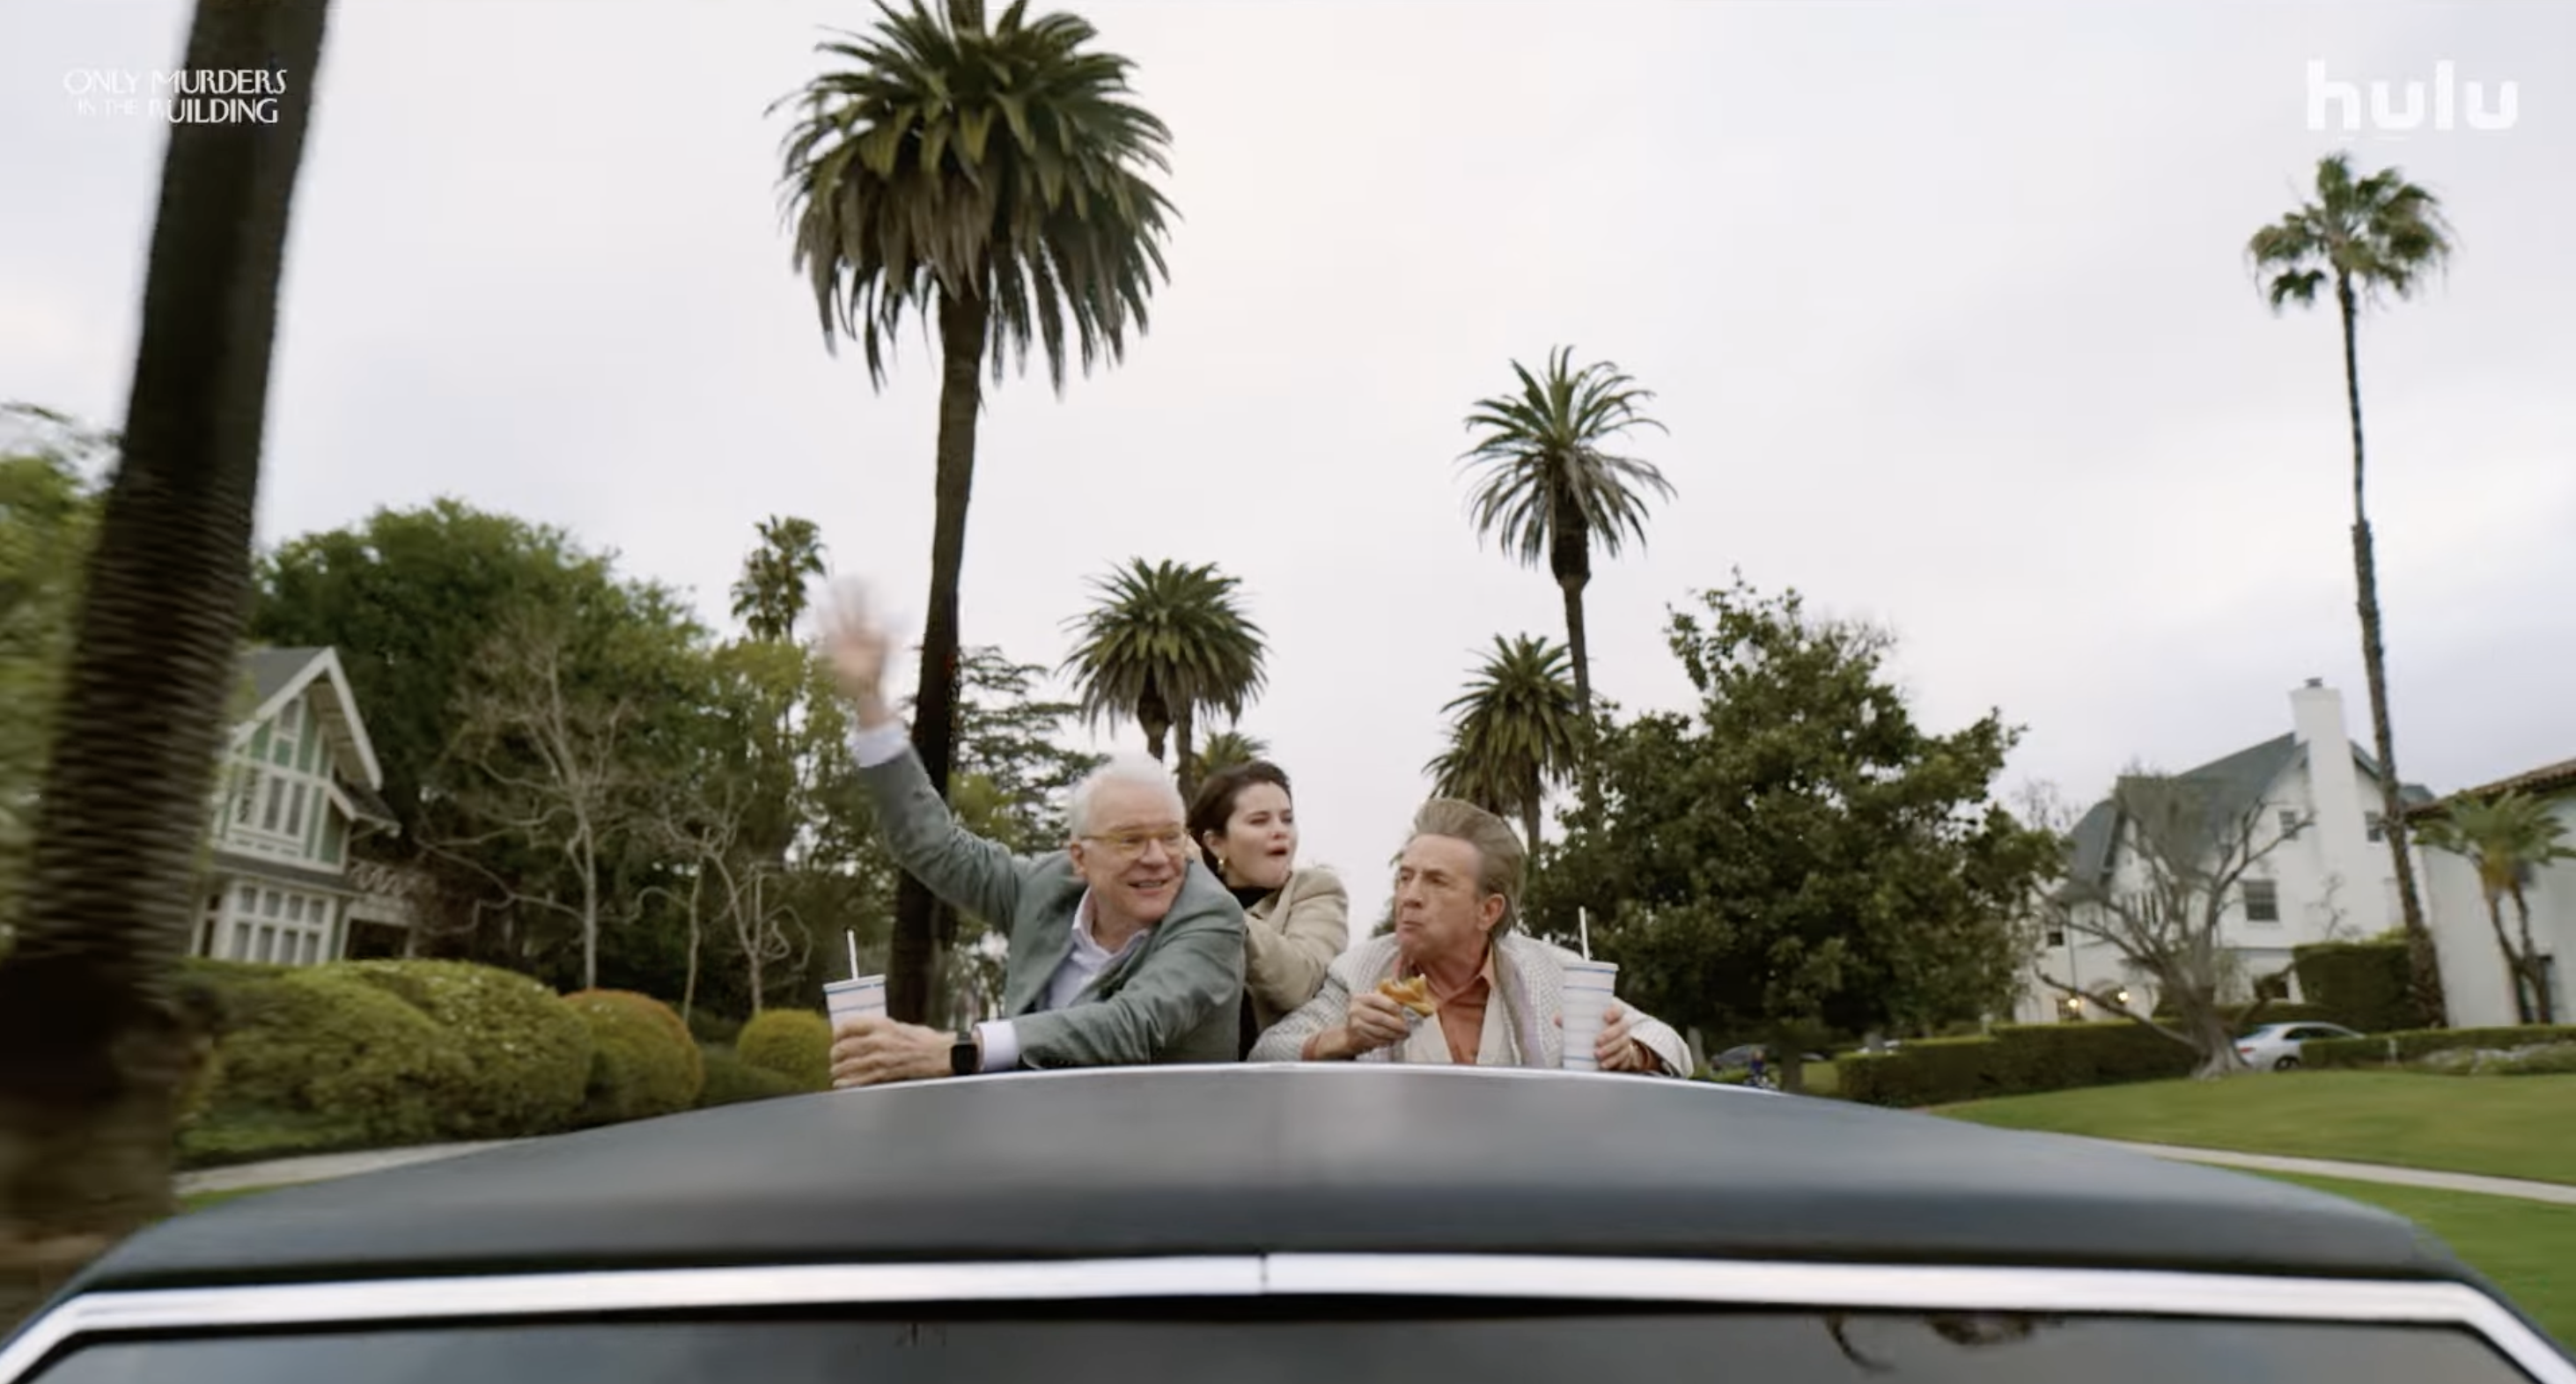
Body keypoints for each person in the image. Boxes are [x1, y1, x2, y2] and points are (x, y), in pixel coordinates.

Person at [820, 585, 1246, 1086]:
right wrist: (870, 702)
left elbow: (1132, 1025)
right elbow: (930, 844)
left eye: (1171, 837)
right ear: (1079, 857)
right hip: (1031, 1148)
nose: (1157, 858)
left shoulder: (1211, 918)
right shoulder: (1042, 889)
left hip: (1168, 1154)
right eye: (1130, 840)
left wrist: (962, 1050)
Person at [1249, 798, 1689, 1074]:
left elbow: (1671, 1044)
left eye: (1436, 882)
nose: (1410, 897)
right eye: (1405, 877)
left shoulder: (1556, 973)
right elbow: (1265, 1055)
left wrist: (1631, 1051)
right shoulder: (1359, 974)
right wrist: (1342, 1039)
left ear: (1488, 910)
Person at [1185, 759, 1349, 1056]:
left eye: (1287, 819)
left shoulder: (1316, 890)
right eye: (1259, 821)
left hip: (1278, 1085)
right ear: (1216, 844)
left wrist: (1215, 903)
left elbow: (1301, 984)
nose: (1279, 831)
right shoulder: (1182, 901)